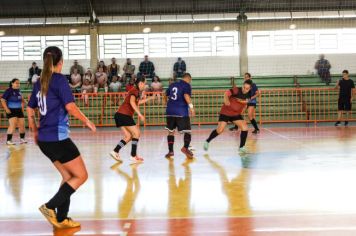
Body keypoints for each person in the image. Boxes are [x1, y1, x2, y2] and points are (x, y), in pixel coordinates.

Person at [27, 46, 96, 229]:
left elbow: (29, 109)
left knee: (68, 175)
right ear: (61, 62)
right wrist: (87, 121)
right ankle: (49, 207)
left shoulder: (39, 82)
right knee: (81, 176)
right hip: (58, 138)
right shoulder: (59, 80)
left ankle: (62, 219)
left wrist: (34, 130)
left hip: (44, 140)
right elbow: (71, 107)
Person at [109, 76, 155, 163]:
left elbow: (137, 102)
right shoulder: (135, 91)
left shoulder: (135, 91)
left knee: (128, 136)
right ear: (140, 83)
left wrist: (150, 98)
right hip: (124, 115)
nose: (145, 85)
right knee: (137, 133)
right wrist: (140, 114)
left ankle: (115, 151)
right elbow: (132, 102)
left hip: (119, 115)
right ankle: (133, 156)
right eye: (144, 83)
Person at [204, 79, 252, 153]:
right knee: (220, 130)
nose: (245, 90)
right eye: (244, 87)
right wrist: (226, 100)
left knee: (244, 127)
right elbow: (226, 93)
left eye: (247, 89)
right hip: (225, 112)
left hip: (235, 114)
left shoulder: (249, 94)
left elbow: (246, 101)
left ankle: (241, 147)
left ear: (250, 88)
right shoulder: (236, 90)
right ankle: (207, 141)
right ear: (242, 86)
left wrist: (243, 108)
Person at [165, 73, 195, 159]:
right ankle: (185, 148)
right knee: (188, 131)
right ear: (189, 79)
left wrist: (166, 103)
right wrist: (191, 108)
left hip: (170, 111)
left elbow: (165, 94)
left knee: (171, 131)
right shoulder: (187, 85)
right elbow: (186, 95)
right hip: (181, 112)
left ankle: (171, 151)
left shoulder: (173, 84)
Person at [1, 78, 26, 145]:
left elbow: (23, 101)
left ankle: (22, 139)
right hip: (11, 110)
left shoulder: (19, 91)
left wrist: (22, 108)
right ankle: (8, 140)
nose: (18, 84)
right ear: (12, 83)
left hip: (19, 110)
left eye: (19, 83)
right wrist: (6, 109)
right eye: (16, 83)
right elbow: (2, 100)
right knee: (13, 125)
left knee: (22, 125)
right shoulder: (8, 90)